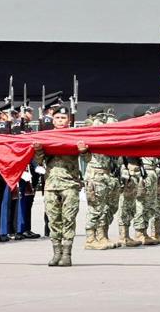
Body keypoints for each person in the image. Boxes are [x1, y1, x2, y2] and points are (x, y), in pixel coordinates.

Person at [34, 108, 86, 267]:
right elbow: (39, 161)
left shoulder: (75, 137)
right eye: (57, 117)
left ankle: (67, 254)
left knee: (68, 219)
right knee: (53, 220)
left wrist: (83, 151)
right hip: (50, 184)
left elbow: (88, 157)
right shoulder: (46, 137)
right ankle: (56, 253)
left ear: (68, 120)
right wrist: (38, 150)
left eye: (63, 117)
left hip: (69, 184)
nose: (60, 120)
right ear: (53, 120)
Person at [82, 112, 122, 251]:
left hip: (108, 174)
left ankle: (102, 235)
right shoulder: (92, 129)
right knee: (95, 208)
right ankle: (90, 238)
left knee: (107, 208)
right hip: (95, 174)